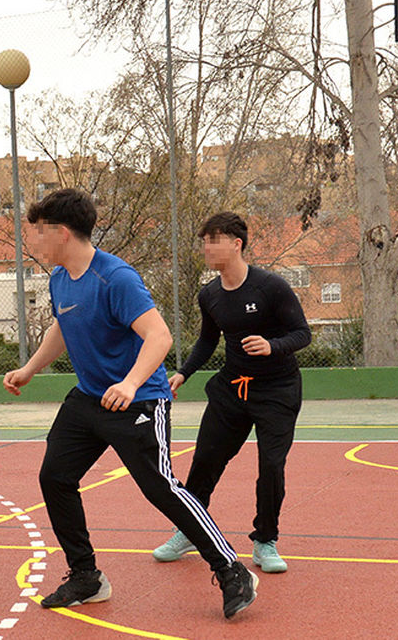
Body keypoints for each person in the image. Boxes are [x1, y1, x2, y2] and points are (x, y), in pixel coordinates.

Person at [2, 188, 258, 620]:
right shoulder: (61, 276)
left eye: (37, 233)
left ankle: (232, 569)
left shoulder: (115, 277)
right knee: (55, 477)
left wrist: (129, 382)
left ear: (62, 233)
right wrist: (30, 369)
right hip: (89, 398)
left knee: (162, 488)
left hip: (138, 400)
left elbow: (159, 336)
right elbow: (62, 328)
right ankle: (86, 576)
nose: (32, 242)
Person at [152, 212, 311, 575]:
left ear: (236, 244)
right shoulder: (209, 295)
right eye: (204, 241)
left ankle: (265, 540)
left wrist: (273, 346)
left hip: (277, 390)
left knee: (271, 465)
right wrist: (183, 373)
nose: (206, 247)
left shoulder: (271, 287)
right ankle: (189, 531)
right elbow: (209, 339)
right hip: (231, 389)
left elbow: (303, 333)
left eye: (213, 240)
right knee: (205, 460)